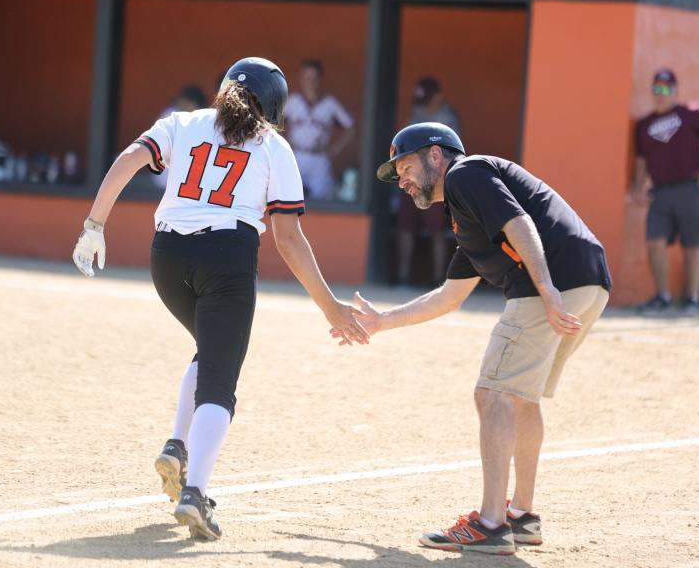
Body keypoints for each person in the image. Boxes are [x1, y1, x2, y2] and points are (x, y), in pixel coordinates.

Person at [72, 57, 368, 540]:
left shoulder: (183, 122)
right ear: (274, 106)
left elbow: (129, 158)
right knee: (220, 380)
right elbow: (289, 239)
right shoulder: (275, 147)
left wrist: (94, 225)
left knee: (210, 352)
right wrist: (330, 306)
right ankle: (196, 493)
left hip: (166, 256)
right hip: (226, 256)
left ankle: (176, 445)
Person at [334, 123, 611, 555]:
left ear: (436, 156)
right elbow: (448, 297)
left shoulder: (466, 174)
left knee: (493, 393)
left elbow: (520, 224)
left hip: (555, 282)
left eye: (405, 166)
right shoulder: (468, 220)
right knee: (521, 397)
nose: (402, 180)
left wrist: (548, 290)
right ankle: (522, 516)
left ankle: (491, 525)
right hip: (589, 280)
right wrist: (381, 321)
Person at [632, 69, 699, 314]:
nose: (661, 94)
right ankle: (662, 297)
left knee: (692, 246)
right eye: (657, 89)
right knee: (655, 243)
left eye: (666, 89)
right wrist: (638, 187)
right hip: (659, 193)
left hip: (691, 189)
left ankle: (691, 299)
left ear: (675, 91)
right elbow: (640, 161)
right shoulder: (644, 125)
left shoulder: (691, 113)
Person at [395, 77, 461, 286]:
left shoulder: (449, 118)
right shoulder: (417, 113)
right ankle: (403, 276)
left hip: (436, 181)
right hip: (413, 179)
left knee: (437, 230)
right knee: (405, 226)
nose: (423, 104)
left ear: (439, 96)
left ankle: (438, 279)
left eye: (427, 99)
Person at [283, 60, 356, 199]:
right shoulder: (292, 101)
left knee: (322, 199)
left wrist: (334, 149)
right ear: (301, 79)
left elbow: (350, 128)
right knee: (289, 197)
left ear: (320, 79)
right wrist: (285, 143)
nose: (310, 82)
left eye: (314, 78)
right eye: (307, 77)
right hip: (296, 155)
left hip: (319, 158)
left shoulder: (330, 103)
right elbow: (271, 124)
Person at [151, 85, 210, 190]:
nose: (180, 104)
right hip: (166, 176)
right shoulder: (170, 115)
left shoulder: (204, 120)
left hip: (195, 183)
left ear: (194, 104)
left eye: (185, 102)